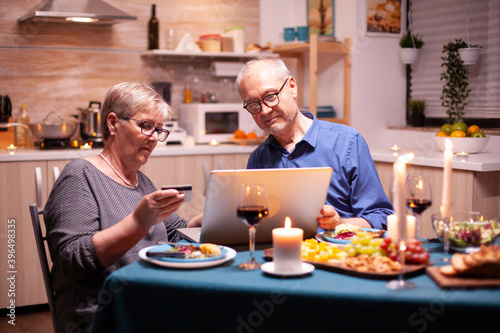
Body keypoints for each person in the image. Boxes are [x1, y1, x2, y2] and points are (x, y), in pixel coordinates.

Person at [44, 82, 202, 333]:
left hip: (151, 300)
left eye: (159, 130)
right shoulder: (79, 176)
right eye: (146, 126)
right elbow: (72, 261)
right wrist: (137, 223)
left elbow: (173, 232)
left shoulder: (143, 182)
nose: (154, 138)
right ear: (113, 123)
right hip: (106, 314)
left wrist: (211, 217)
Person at [236, 57, 393, 230]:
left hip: (336, 254)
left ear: (292, 87)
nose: (265, 110)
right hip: (277, 255)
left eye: (271, 96)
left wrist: (340, 223)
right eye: (253, 104)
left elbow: (382, 218)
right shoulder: (258, 158)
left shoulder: (347, 142)